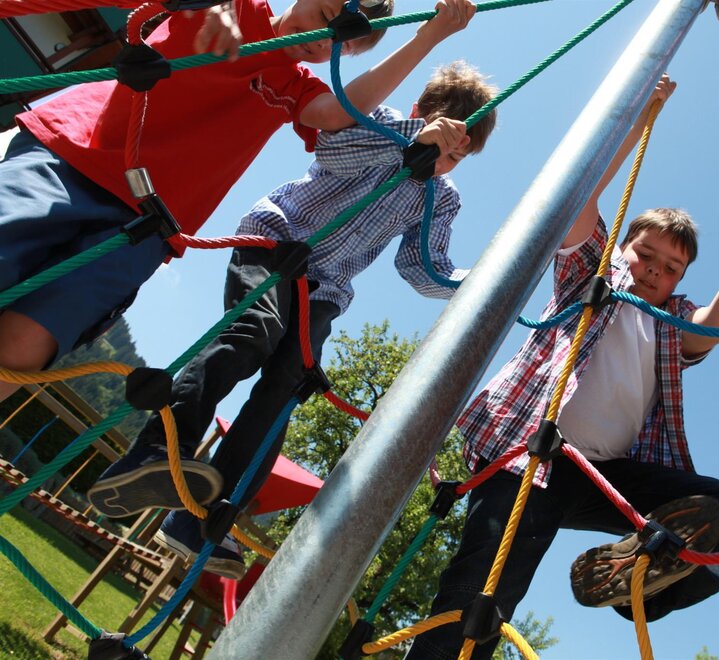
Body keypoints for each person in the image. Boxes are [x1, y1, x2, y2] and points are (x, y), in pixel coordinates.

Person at [406, 76, 719, 659]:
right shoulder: (591, 277)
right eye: (646, 254)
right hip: (529, 453)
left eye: (671, 268)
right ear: (622, 249)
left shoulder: (670, 321)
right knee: (483, 594)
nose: (655, 270)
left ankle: (641, 583)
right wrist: (638, 117)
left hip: (606, 474)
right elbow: (582, 198)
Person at [87, 60, 498, 579]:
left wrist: (478, 278)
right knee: (254, 331)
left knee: (289, 383)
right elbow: (331, 150)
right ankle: (157, 450)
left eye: (457, 157)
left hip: (325, 290)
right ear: (421, 113)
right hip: (276, 244)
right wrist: (410, 142)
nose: (444, 161)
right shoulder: (381, 124)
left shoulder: (442, 197)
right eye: (446, 145)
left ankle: (203, 518)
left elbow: (422, 267)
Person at [0, 0, 479, 404]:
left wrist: (429, 36)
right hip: (73, 157)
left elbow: (338, 113)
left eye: (341, 42)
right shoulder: (237, 8)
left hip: (148, 222)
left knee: (26, 346)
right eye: (324, 15)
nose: (322, 39)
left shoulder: (294, 86)